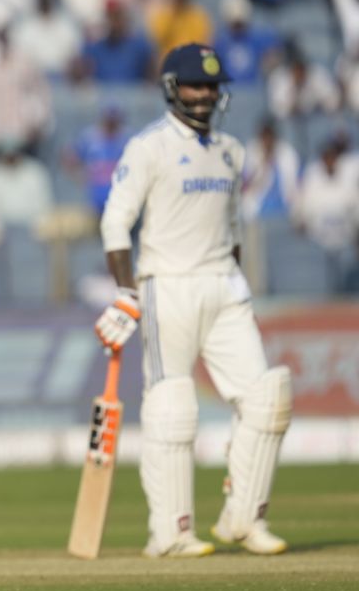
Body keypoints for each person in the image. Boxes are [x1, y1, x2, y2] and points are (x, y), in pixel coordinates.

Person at [97, 43, 293, 559]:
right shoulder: (149, 147)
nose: (205, 94)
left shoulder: (232, 151)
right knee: (171, 406)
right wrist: (124, 290)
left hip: (224, 284)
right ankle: (171, 533)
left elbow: (232, 229)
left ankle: (244, 518)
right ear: (171, 88)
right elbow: (116, 221)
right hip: (167, 284)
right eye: (195, 85)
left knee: (267, 398)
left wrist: (235, 276)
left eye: (212, 85)